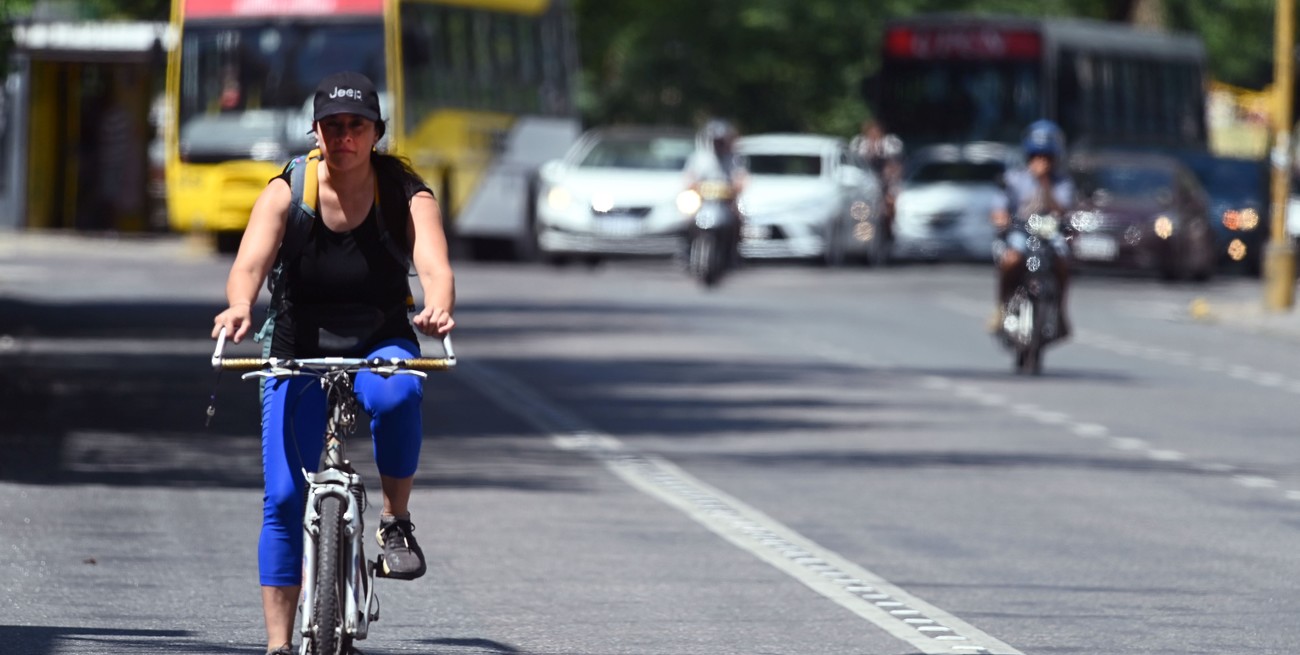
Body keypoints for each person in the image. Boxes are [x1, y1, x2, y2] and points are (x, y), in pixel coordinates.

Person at [209, 71, 455, 655]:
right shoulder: (286, 192)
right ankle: (277, 646)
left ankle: (395, 520)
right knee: (285, 499)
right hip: (296, 343)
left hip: (380, 336)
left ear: (376, 133)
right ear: (317, 132)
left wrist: (438, 307)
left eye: (357, 126)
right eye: (333, 126)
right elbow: (248, 265)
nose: (344, 137)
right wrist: (240, 306)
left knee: (399, 394)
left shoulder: (405, 194)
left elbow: (435, 265)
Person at [990, 119, 1074, 338]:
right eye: (1037, 156)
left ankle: (1061, 314)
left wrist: (1045, 183)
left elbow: (1063, 209)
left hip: (1049, 233)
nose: (1041, 162)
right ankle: (1001, 308)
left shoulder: (1062, 182)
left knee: (1063, 264)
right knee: (1011, 260)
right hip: (1022, 231)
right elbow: (999, 206)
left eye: (1047, 157)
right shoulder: (1014, 178)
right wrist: (1001, 218)